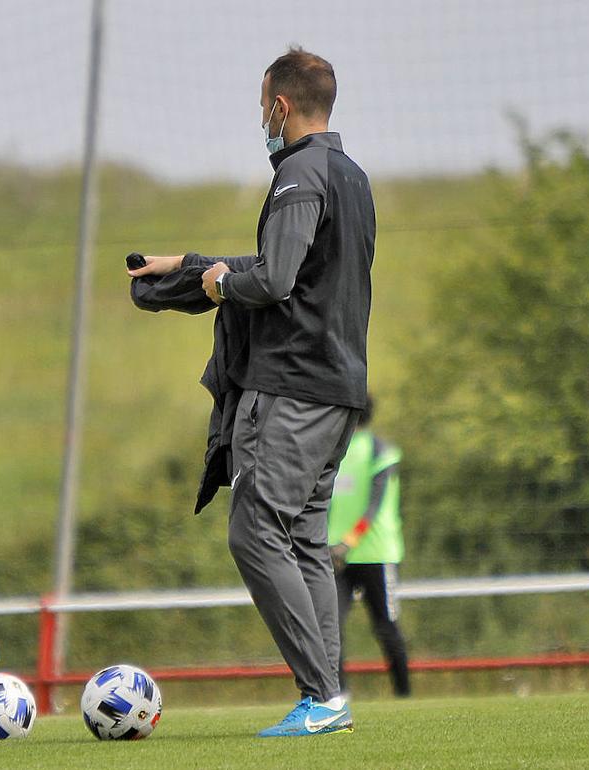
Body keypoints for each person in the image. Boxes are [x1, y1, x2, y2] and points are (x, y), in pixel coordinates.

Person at [127, 47, 375, 737]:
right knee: (302, 539)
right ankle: (328, 699)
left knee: (256, 532)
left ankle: (322, 696)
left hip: (290, 385)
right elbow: (297, 267)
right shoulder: (349, 175)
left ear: (281, 107)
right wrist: (192, 265)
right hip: (337, 386)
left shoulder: (297, 173)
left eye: (261, 104)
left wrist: (219, 285)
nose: (260, 117)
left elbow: (274, 281)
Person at [328, 396, 410, 697]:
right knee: (330, 627)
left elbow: (373, 506)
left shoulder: (380, 451)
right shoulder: (331, 451)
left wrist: (347, 542)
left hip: (376, 554)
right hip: (335, 556)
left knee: (386, 627)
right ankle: (338, 697)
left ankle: (404, 696)